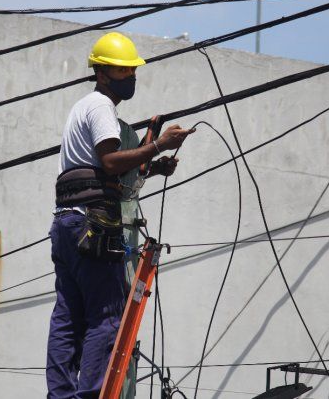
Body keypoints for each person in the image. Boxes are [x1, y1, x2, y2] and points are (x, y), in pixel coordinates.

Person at [46, 32, 194, 398]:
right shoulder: (100, 107)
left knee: (67, 316)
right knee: (107, 315)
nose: (130, 77)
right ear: (102, 74)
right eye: (123, 71)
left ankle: (61, 395)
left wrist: (152, 166)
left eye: (131, 71)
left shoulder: (82, 108)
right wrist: (159, 143)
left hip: (67, 224)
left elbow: (105, 169)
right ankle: (92, 394)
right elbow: (111, 162)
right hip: (89, 226)